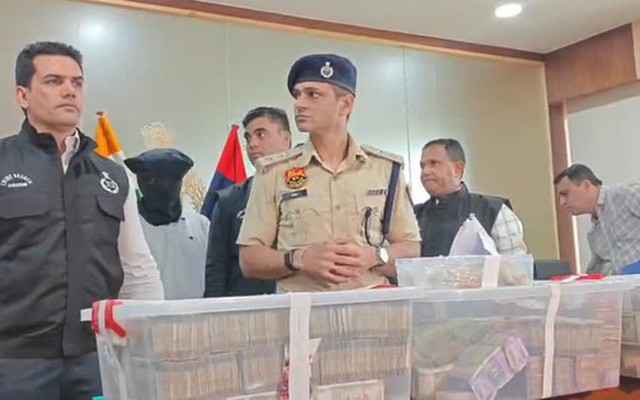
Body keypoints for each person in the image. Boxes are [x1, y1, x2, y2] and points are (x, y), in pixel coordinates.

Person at [0, 41, 163, 399]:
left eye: (77, 82)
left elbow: (137, 268)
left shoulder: (112, 174)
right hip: (14, 363)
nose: (69, 91)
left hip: (96, 360)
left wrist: (148, 344)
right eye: (54, 81)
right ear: (22, 95)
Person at [237, 53, 421, 292]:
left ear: (346, 105)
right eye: (297, 95)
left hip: (371, 306)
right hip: (304, 309)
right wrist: (298, 259)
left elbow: (411, 249)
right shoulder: (274, 172)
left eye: (313, 94)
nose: (299, 104)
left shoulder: (385, 170)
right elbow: (249, 259)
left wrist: (375, 256)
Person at [204, 107, 291, 297]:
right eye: (248, 137)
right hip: (247, 304)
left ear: (286, 139)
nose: (252, 144)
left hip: (299, 299)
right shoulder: (229, 199)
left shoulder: (312, 189)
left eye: (261, 134)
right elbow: (217, 267)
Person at [414, 138, 527, 257]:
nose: (425, 171)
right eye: (422, 166)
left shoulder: (493, 210)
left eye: (434, 163)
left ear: (458, 169)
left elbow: (515, 265)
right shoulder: (413, 216)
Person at [125, 148, 209, 299]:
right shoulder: (129, 227)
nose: (148, 186)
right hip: (146, 312)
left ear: (177, 182)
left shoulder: (201, 225)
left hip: (197, 312)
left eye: (153, 180)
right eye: (145, 180)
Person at [554, 164, 640, 275]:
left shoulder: (625, 195)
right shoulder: (596, 229)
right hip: (623, 283)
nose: (562, 202)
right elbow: (596, 271)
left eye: (565, 194)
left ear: (586, 186)